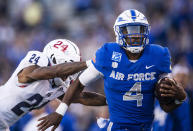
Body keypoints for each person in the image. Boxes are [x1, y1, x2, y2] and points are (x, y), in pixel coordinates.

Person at [37, 10, 186, 131]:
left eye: (139, 29)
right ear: (119, 32)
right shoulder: (108, 53)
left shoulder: (158, 55)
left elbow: (166, 106)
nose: (134, 35)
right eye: (129, 30)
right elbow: (78, 83)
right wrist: (60, 112)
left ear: (146, 31)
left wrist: (180, 97)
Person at [0, 39, 106, 131]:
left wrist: (113, 100)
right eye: (69, 65)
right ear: (55, 60)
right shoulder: (36, 61)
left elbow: (82, 98)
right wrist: (90, 63)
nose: (70, 74)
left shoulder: (58, 86)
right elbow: (50, 71)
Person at [153, 64, 191, 131]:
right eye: (178, 75)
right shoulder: (161, 94)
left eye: (184, 76)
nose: (181, 79)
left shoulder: (187, 97)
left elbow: (184, 122)